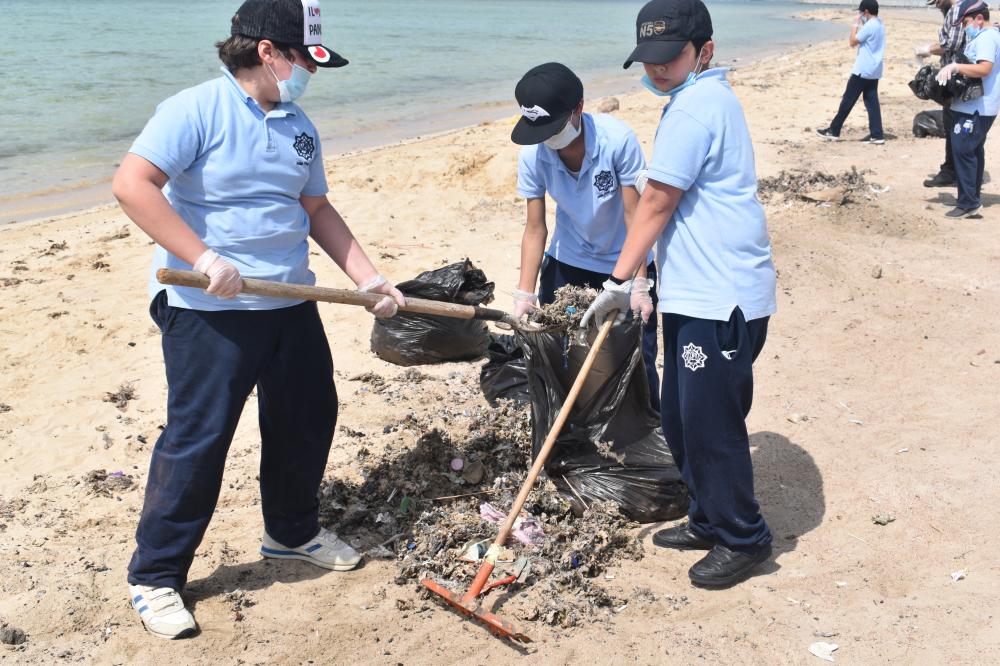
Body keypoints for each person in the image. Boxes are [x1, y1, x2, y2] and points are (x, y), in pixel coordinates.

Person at [111, 0, 405, 639]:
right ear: (266, 51)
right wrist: (204, 255)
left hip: (291, 300)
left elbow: (316, 208)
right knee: (199, 440)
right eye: (303, 59)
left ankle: (290, 533)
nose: (311, 74)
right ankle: (155, 576)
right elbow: (133, 184)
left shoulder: (299, 122)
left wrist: (368, 277)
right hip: (210, 307)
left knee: (307, 416)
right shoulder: (194, 109)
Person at [581, 0, 777, 588]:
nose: (659, 69)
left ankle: (744, 536)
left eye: (672, 57)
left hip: (721, 297)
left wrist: (621, 279)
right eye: (650, 59)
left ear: (705, 51)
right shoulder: (691, 102)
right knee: (684, 417)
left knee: (711, 421)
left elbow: (658, 202)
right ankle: (707, 516)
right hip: (697, 291)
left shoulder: (696, 107)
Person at [511, 62, 660, 408]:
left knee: (634, 361)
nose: (548, 138)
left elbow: (635, 218)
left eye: (553, 126)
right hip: (568, 260)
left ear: (579, 107)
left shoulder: (616, 141)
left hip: (623, 261)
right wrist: (525, 293)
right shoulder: (534, 154)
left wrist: (638, 285)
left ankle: (647, 440)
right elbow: (535, 228)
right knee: (563, 355)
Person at [936, 0, 999, 217]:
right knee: (973, 150)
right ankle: (972, 197)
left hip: (977, 108)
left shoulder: (988, 38)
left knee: (962, 149)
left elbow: (984, 68)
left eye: (966, 22)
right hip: (973, 106)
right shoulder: (983, 37)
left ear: (979, 19)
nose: (964, 27)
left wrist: (955, 66)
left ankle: (968, 203)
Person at [816, 0, 886, 143]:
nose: (860, 15)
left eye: (861, 12)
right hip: (874, 69)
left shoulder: (870, 26)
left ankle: (834, 130)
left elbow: (852, 42)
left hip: (863, 69)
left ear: (866, 12)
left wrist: (855, 24)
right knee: (871, 102)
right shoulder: (879, 24)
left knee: (848, 100)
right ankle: (877, 134)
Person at [916, 0, 967, 188]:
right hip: (957, 75)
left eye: (936, 0)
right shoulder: (959, 9)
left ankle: (951, 172)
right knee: (952, 123)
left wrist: (927, 49)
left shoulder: (956, 11)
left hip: (956, 78)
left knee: (954, 124)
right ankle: (952, 169)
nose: (936, 4)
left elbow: (950, 44)